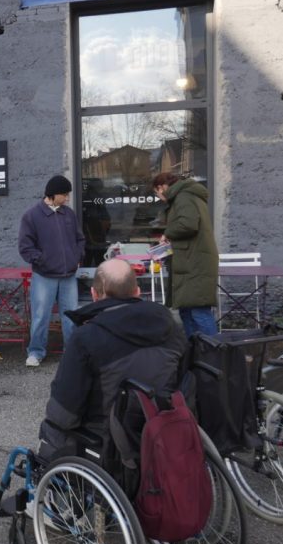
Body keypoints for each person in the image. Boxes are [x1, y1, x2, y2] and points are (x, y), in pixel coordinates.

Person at [37, 258, 187, 462]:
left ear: (94, 295)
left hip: (110, 444)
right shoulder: (172, 326)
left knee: (53, 429)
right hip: (164, 429)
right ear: (137, 292)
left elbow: (64, 414)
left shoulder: (86, 337)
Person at [18, 174, 85, 367]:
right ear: (53, 195)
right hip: (44, 276)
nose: (67, 198)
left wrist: (77, 257)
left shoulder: (68, 214)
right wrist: (43, 261)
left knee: (71, 316)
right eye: (65, 194)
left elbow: (80, 239)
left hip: (69, 276)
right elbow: (25, 247)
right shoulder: (31, 216)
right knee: (40, 316)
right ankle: (36, 352)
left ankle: (72, 353)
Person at [152, 172, 219, 338]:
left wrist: (167, 234)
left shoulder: (183, 197)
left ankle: (214, 353)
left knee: (198, 311)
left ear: (161, 187)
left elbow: (188, 224)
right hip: (190, 261)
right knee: (187, 311)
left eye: (156, 193)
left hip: (194, 262)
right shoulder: (186, 195)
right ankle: (195, 353)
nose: (159, 197)